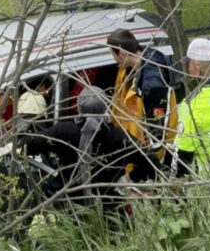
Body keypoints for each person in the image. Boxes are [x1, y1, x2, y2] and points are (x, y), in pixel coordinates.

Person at [19, 86, 156, 203]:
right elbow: (150, 161)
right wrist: (131, 178)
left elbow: (27, 145)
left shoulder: (63, 131)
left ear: (78, 107)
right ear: (106, 107)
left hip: (71, 208)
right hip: (110, 207)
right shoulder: (119, 137)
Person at [106, 29, 181, 153]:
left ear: (123, 54)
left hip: (145, 151)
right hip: (131, 143)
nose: (113, 59)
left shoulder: (152, 86)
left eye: (113, 55)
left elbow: (157, 136)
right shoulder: (127, 70)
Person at [172, 38, 210, 175]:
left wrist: (174, 183)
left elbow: (183, 152)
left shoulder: (192, 104)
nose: (188, 68)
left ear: (197, 68)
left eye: (189, 64)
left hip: (209, 178)